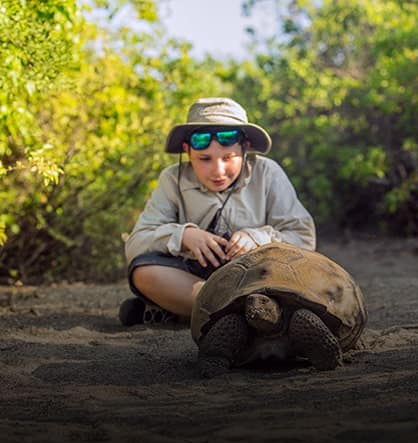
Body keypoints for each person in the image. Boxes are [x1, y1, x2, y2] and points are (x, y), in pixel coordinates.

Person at [119, 97, 317, 326]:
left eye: (228, 157)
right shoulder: (172, 178)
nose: (218, 171)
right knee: (143, 273)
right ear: (187, 150)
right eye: (204, 159)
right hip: (193, 277)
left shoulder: (268, 173)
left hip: (256, 280)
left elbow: (303, 237)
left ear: (245, 148)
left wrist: (258, 237)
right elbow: (135, 244)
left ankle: (188, 312)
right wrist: (183, 236)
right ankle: (250, 316)